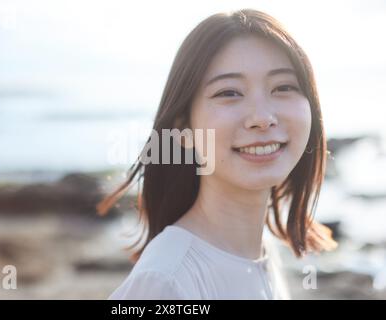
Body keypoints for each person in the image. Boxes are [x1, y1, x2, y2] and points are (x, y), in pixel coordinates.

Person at [97, 8, 337, 300]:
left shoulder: (262, 250)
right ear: (183, 129)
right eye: (229, 92)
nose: (262, 118)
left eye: (284, 87)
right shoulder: (165, 283)